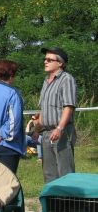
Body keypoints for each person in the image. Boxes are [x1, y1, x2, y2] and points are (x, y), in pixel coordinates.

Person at [37, 46, 77, 183]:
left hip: (62, 132)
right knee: (49, 174)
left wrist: (59, 128)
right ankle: (52, 204)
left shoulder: (66, 79)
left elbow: (68, 106)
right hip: (47, 133)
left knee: (65, 173)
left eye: (49, 59)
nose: (45, 62)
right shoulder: (46, 81)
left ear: (60, 63)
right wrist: (37, 129)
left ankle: (68, 204)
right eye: (44, 59)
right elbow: (43, 108)